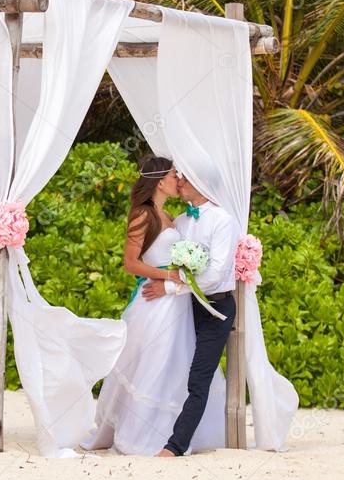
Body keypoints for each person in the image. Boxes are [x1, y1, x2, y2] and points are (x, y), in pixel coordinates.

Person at [80, 156, 227, 455]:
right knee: (153, 365)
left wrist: (179, 277)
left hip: (177, 304)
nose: (179, 180)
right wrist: (168, 275)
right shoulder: (142, 215)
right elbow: (131, 264)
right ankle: (137, 434)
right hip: (153, 303)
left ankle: (169, 433)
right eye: (175, 175)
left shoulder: (173, 217)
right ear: (161, 180)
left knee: (175, 365)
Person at [144, 172, 238, 457]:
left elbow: (215, 274)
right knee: (167, 370)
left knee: (198, 378)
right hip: (186, 308)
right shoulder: (181, 222)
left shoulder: (223, 220)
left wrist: (170, 289)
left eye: (186, 178)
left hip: (216, 308)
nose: (180, 182)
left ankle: (175, 446)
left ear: (204, 182)